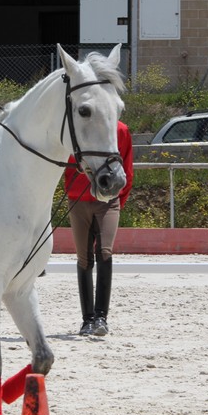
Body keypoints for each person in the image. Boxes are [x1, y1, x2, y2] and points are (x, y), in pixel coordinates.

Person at [64, 120, 133, 336]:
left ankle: (101, 317)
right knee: (84, 258)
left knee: (104, 252)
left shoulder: (120, 130)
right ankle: (87, 320)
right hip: (78, 201)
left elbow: (127, 168)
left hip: (108, 201)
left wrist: (117, 200)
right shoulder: (76, 128)